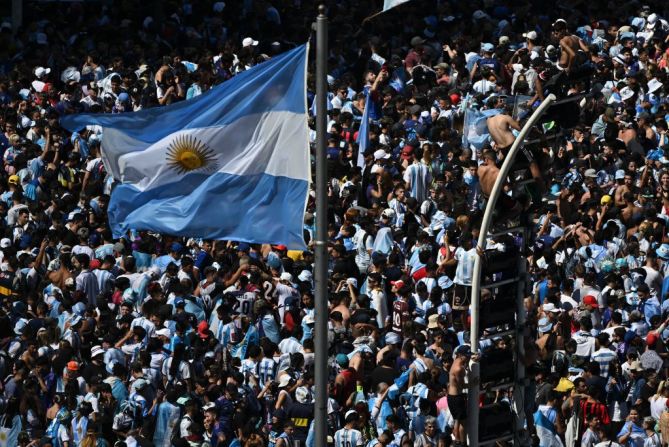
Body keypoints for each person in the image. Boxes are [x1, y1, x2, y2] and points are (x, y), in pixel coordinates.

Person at [448, 345, 472, 447]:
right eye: (467, 356)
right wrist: (474, 384)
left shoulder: (456, 361)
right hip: (457, 398)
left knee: (457, 419)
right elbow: (462, 385)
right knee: (463, 422)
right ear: (461, 355)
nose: (469, 357)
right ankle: (463, 443)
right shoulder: (459, 369)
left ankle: (457, 440)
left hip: (452, 396)